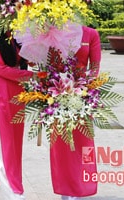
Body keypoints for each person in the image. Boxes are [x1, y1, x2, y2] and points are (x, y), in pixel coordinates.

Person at [0, 14, 34, 199]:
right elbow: (1, 69)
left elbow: (26, 60)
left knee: (14, 144)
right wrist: (32, 77)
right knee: (2, 144)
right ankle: (11, 192)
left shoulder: (14, 37)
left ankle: (12, 187)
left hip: (16, 93)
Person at [50, 26, 100, 200]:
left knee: (84, 144)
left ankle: (83, 186)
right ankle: (65, 189)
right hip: (58, 95)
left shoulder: (91, 34)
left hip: (82, 97)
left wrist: (83, 89)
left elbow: (94, 68)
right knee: (62, 146)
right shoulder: (53, 32)